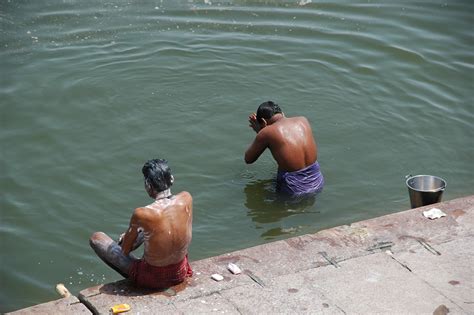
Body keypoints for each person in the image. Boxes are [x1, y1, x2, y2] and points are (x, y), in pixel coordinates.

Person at [89, 159, 193, 289]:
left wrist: (128, 236)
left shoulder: (142, 214)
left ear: (148, 185)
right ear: (172, 179)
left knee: (97, 238)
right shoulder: (186, 198)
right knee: (149, 229)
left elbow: (125, 250)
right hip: (180, 272)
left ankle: (134, 279)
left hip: (152, 278)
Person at [245, 101, 324, 196]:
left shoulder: (266, 132)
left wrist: (261, 132)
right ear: (282, 113)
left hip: (295, 189)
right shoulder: (303, 120)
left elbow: (248, 159)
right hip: (317, 181)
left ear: (264, 122)